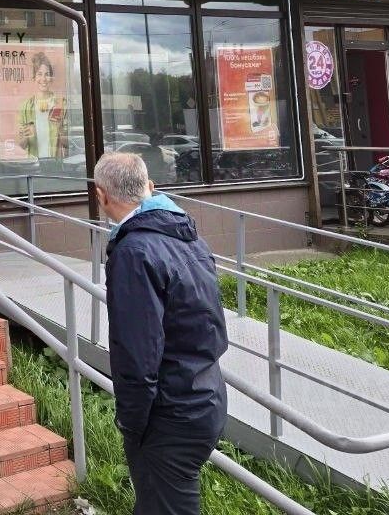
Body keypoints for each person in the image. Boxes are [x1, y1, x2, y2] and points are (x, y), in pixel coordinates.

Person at [95, 152, 228, 515]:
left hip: (170, 415)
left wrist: (132, 423)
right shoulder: (187, 237)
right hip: (205, 397)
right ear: (150, 187)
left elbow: (137, 356)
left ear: (101, 195)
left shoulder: (134, 252)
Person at [16, 52, 69, 160]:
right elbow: (21, 146)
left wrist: (60, 129)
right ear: (34, 78)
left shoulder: (61, 104)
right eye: (39, 74)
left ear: (51, 78)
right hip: (33, 164)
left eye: (47, 74)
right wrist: (25, 137)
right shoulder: (26, 107)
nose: (43, 79)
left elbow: (69, 144)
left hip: (55, 163)